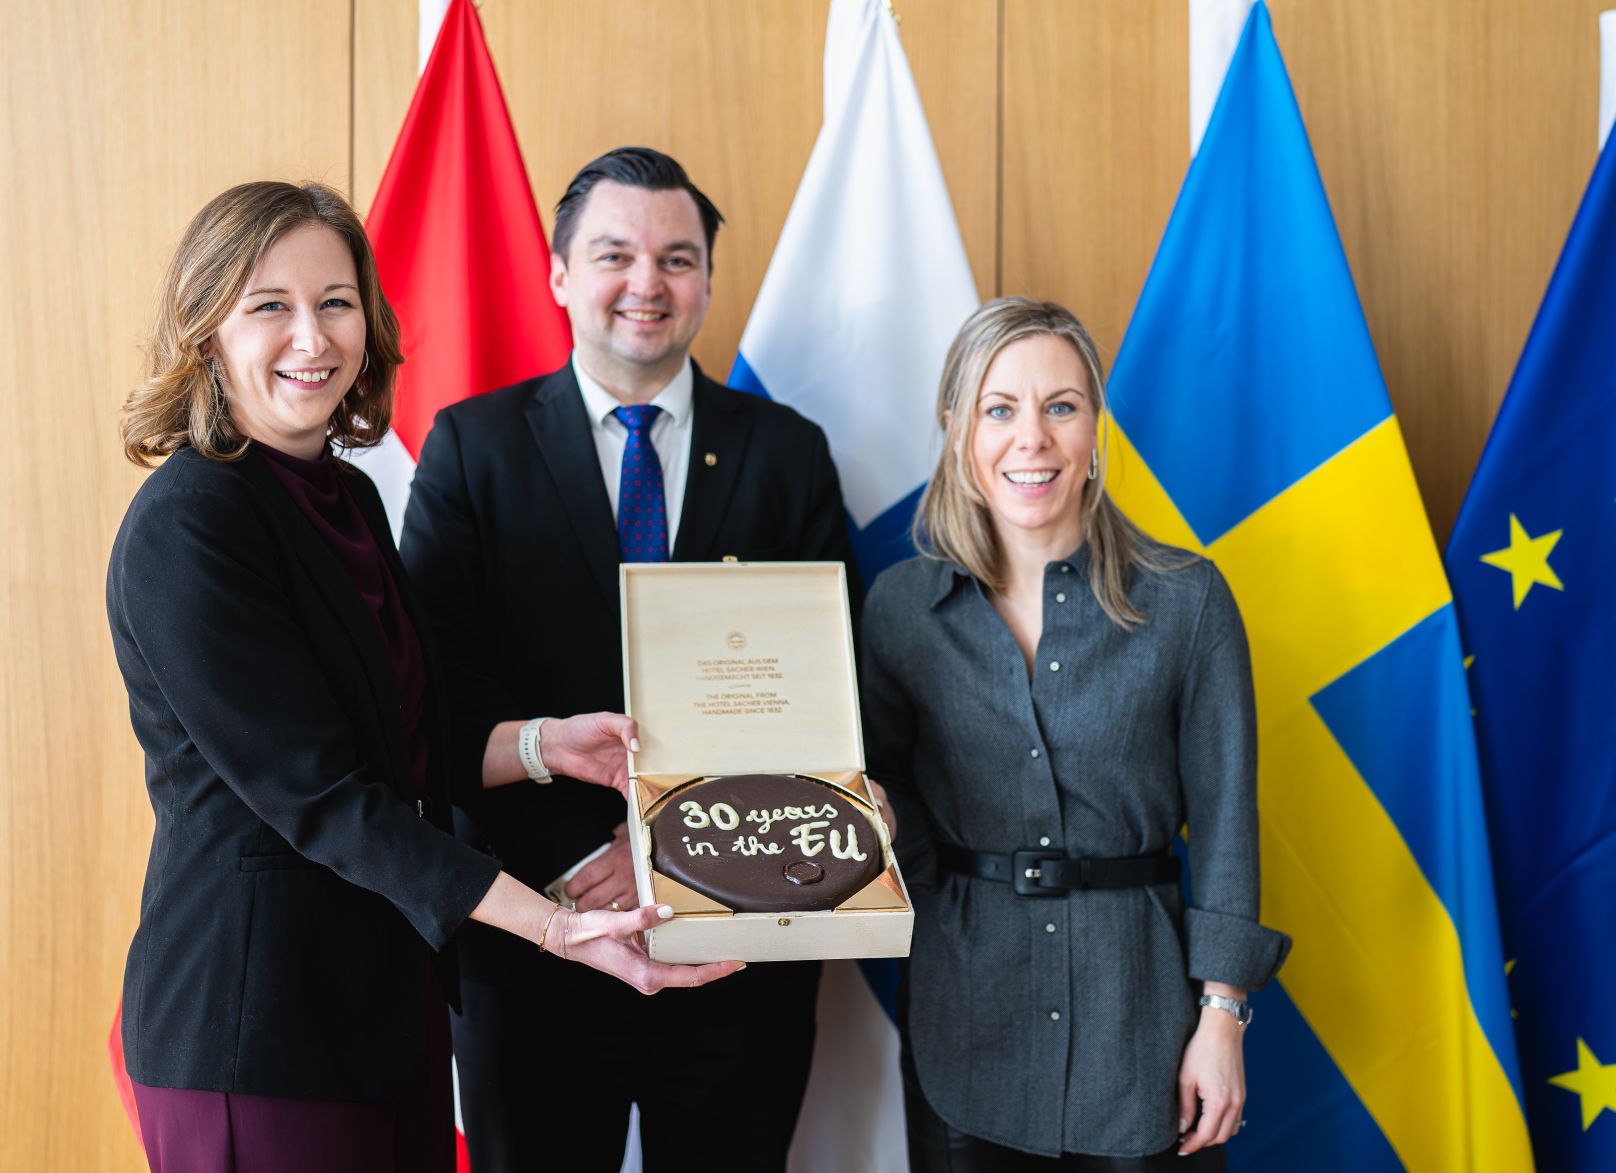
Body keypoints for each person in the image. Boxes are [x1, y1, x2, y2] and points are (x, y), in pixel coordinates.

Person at [107, 180, 739, 1173]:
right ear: (205, 331)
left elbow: (407, 740)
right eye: (269, 305)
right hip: (254, 1023)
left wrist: (543, 747)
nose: (311, 337)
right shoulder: (191, 521)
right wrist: (558, 928)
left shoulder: (347, 495)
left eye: (336, 302)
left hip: (388, 1014)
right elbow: (326, 798)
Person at [400, 147, 860, 1172]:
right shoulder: (472, 448)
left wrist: (674, 857)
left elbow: (829, 688)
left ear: (704, 279)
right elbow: (439, 683)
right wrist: (586, 859)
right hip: (536, 933)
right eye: (613, 254)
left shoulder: (785, 453)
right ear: (559, 275)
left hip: (740, 941)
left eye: (676, 257)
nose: (646, 283)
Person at [860, 297, 1291, 1171]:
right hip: (965, 1015)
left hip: (1143, 1033)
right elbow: (891, 794)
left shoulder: (1188, 600)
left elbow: (1226, 826)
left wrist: (1223, 1016)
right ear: (956, 431)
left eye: (1062, 405)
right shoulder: (901, 609)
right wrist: (880, 818)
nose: (1034, 439)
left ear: (1095, 427)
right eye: (1000, 408)